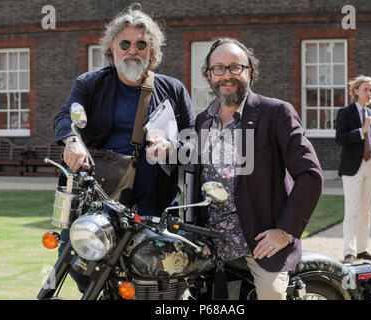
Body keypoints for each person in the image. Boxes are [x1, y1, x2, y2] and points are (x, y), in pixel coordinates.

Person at [193, 38, 323, 300]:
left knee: (271, 294)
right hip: (211, 243)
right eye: (218, 68)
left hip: (260, 244)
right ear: (209, 75)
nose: (226, 75)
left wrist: (285, 230)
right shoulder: (203, 121)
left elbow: (310, 175)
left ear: (249, 71)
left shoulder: (276, 113)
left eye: (235, 67)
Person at [53, 5, 195, 217]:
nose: (132, 50)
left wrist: (172, 146)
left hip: (156, 202)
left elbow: (193, 137)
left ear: (152, 49)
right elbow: (65, 116)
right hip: (97, 201)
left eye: (141, 44)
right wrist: (72, 141)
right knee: (75, 248)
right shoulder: (89, 83)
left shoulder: (173, 89)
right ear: (112, 47)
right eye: (125, 43)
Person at [335, 75, 371, 265]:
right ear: (355, 91)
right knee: (352, 210)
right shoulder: (345, 113)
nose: (369, 92)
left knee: (366, 210)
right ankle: (349, 251)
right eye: (366, 89)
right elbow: (340, 138)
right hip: (352, 166)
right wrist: (362, 131)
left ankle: (362, 249)